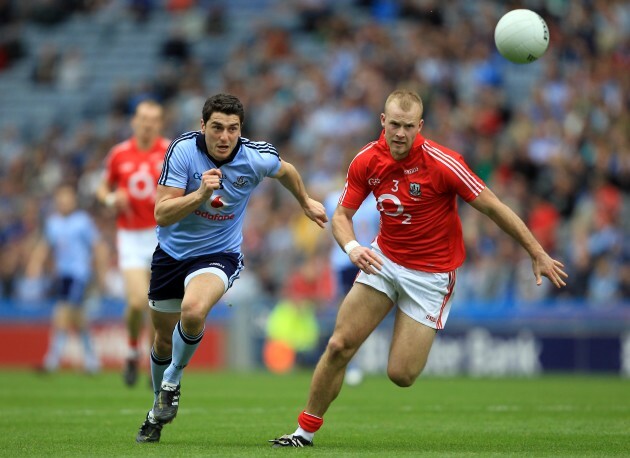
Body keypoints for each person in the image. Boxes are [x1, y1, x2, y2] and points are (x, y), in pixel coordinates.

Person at [269, 89, 568, 447]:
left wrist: (536, 251)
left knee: (401, 374)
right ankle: (304, 433)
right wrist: (352, 248)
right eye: (394, 124)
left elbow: (493, 207)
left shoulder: (444, 162)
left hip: (432, 275)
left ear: (419, 126)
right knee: (338, 345)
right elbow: (341, 216)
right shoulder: (366, 159)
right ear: (383, 121)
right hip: (385, 259)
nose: (400, 133)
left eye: (408, 126)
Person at [135, 93, 328, 443]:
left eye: (233, 129)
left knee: (193, 311)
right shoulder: (182, 151)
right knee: (162, 340)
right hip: (170, 255)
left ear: (241, 130)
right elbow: (161, 213)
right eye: (218, 128)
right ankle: (156, 409)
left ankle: (172, 382)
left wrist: (305, 201)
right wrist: (198, 196)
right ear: (203, 126)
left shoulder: (256, 156)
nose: (225, 137)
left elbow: (287, 171)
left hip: (218, 254)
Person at [96, 99, 170, 387]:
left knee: (158, 305)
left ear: (160, 123)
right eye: (142, 118)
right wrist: (112, 198)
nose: (147, 123)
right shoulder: (119, 154)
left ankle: (155, 362)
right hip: (130, 235)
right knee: (138, 301)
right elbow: (103, 188)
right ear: (134, 121)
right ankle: (130, 350)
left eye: (153, 119)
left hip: (162, 233)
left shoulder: (169, 151)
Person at [26, 184, 107, 374]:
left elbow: (97, 246)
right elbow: (46, 245)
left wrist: (101, 272)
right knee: (78, 318)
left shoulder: (82, 221)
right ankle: (92, 361)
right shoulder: (53, 222)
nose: (63, 202)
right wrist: (35, 263)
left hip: (79, 275)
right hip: (62, 275)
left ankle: (52, 360)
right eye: (60, 198)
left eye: (67, 198)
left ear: (73, 200)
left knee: (62, 312)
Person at [323, 183, 380, 385]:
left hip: (369, 260)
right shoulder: (334, 199)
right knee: (345, 315)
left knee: (365, 314)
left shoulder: (375, 202)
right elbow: (329, 232)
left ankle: (359, 360)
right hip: (343, 261)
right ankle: (350, 363)